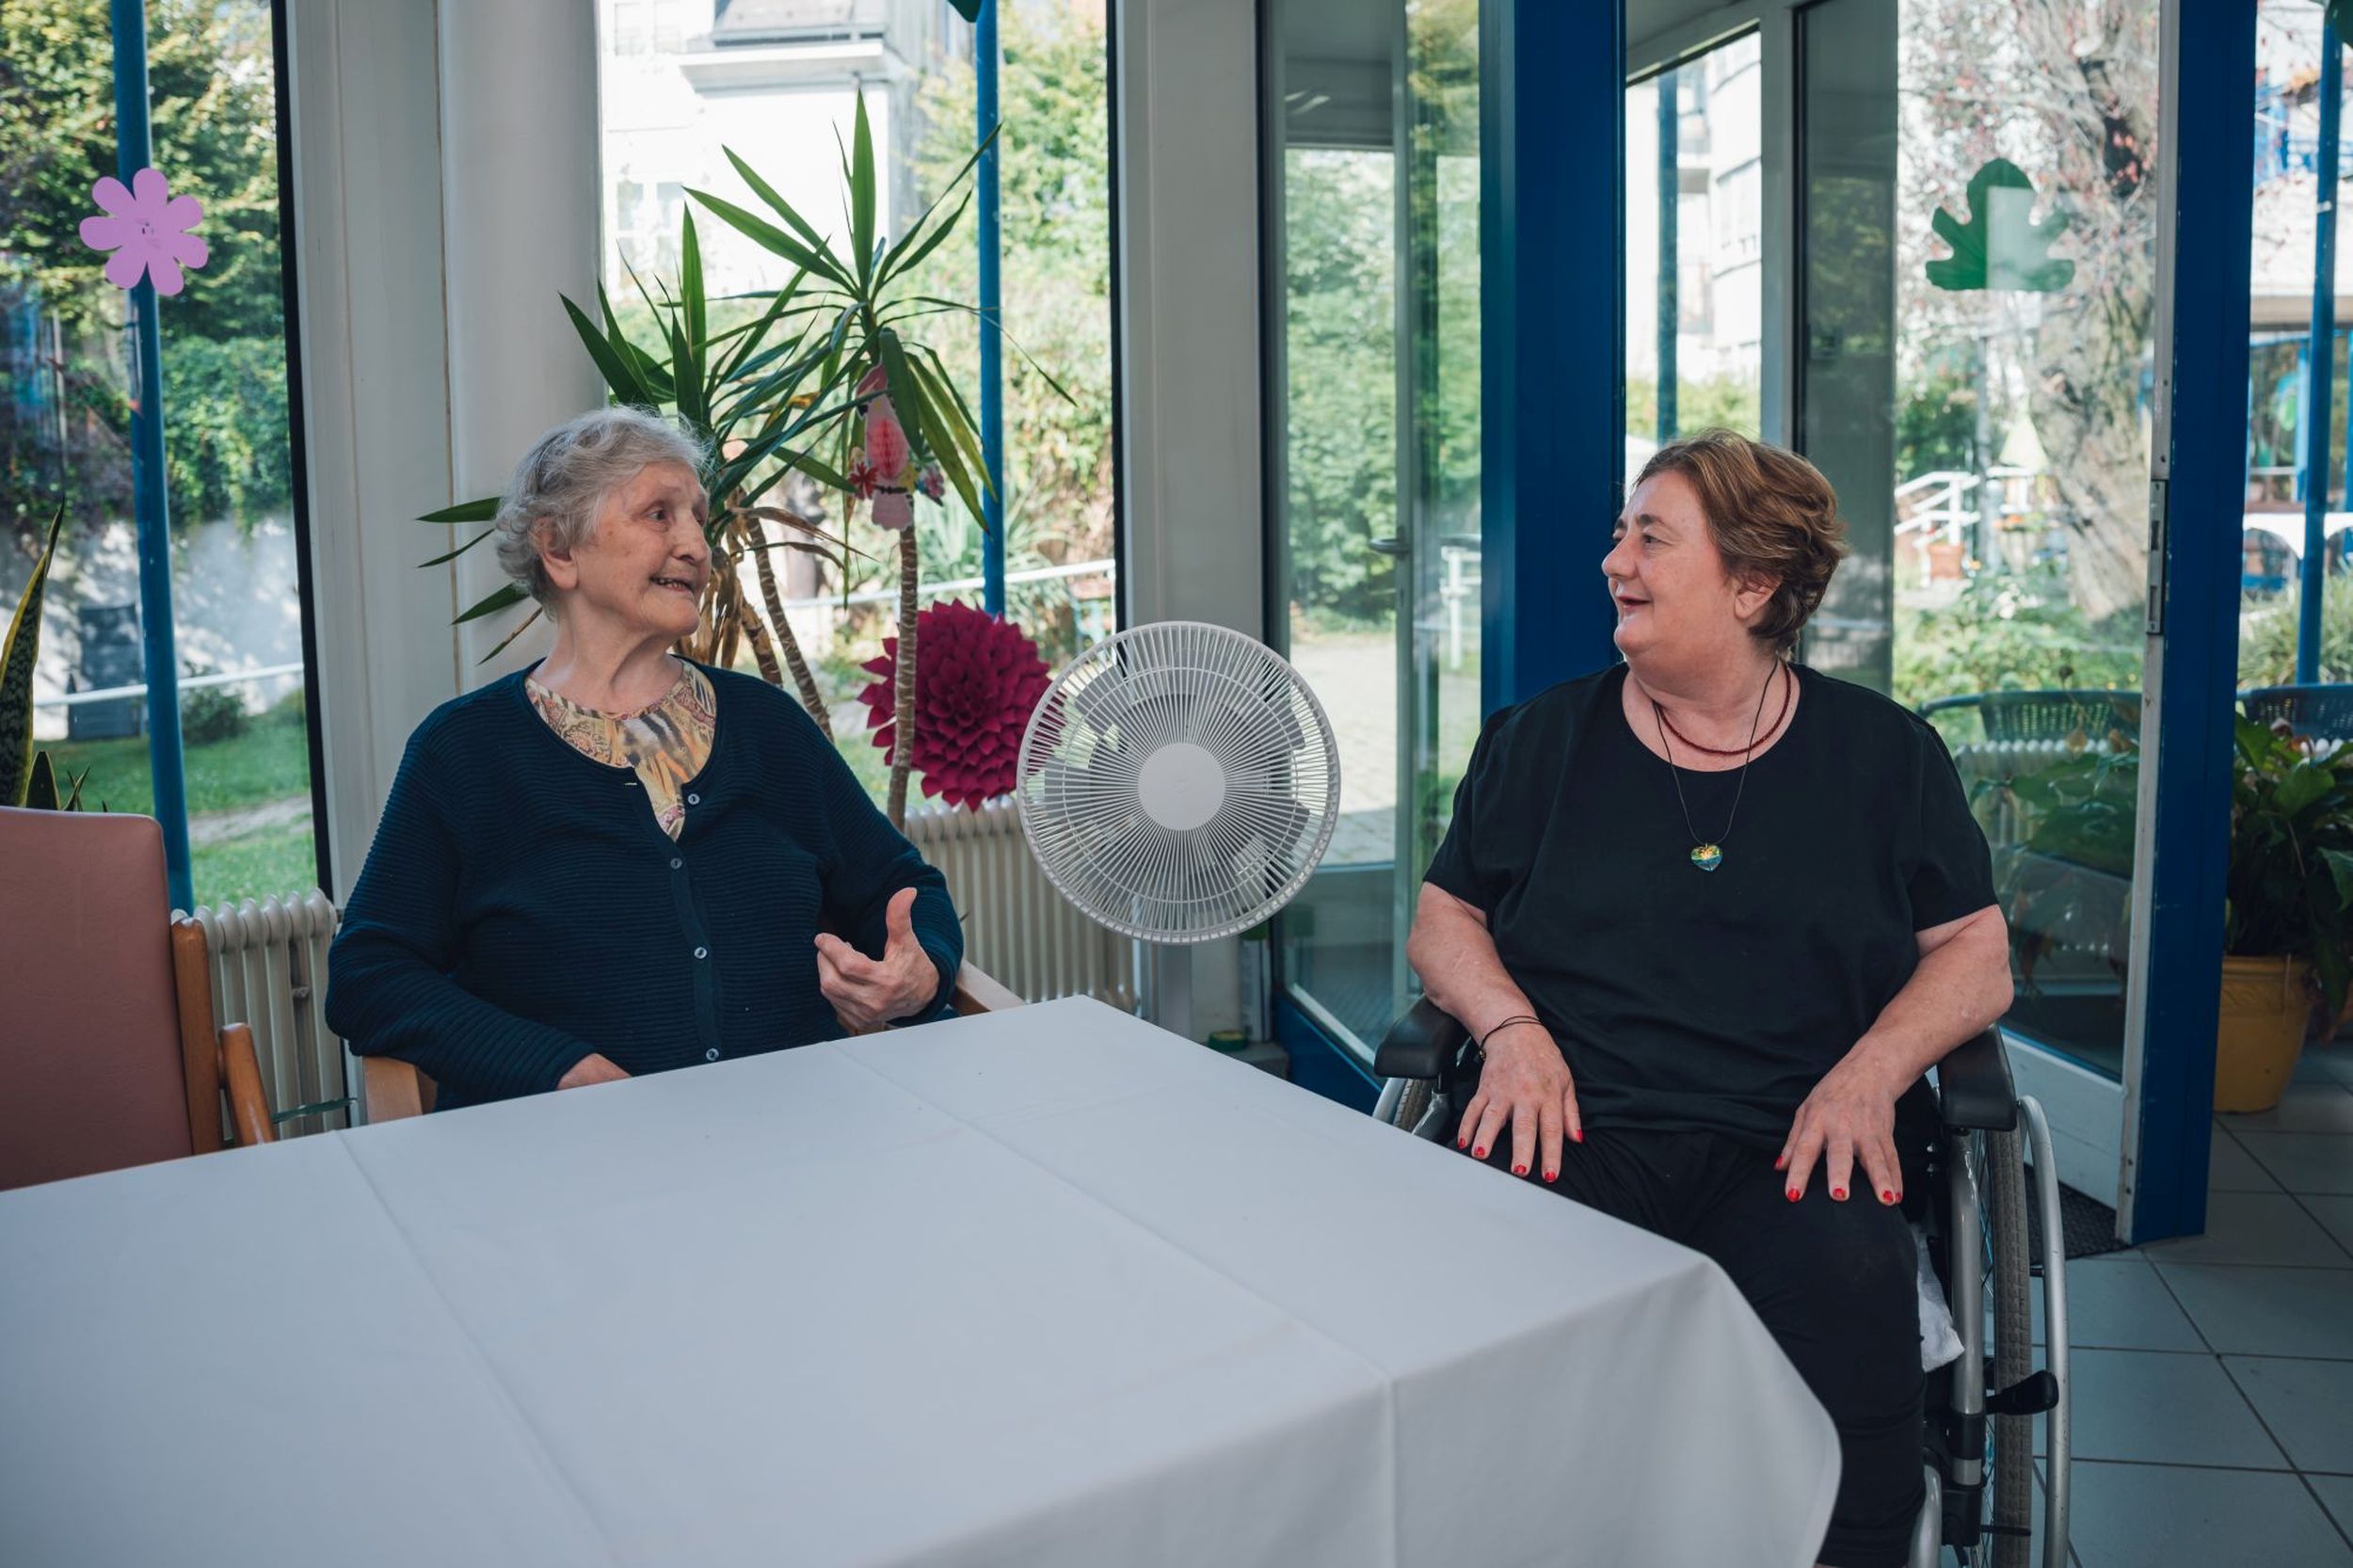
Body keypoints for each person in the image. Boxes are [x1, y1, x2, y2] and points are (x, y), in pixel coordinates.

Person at [1409, 430, 2010, 1568]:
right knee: (1488, 1353)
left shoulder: (1882, 757)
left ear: (1751, 584)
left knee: (1847, 1339)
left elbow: (1976, 955)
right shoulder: (1540, 741)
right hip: (1571, 1123)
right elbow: (1447, 916)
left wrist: (1873, 1069)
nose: (1611, 561)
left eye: (1649, 537)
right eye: (1618, 534)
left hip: (1796, 1140)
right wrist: (1511, 1030)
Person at [328, 408, 962, 1109]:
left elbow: (905, 889)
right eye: (659, 514)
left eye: (698, 516)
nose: (696, 544)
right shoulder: (464, 755)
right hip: (570, 1170)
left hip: (793, 1139)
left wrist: (919, 972)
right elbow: (370, 974)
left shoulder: (768, 726)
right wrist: (557, 1068)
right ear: (558, 549)